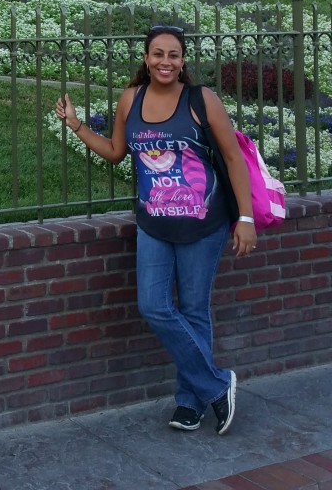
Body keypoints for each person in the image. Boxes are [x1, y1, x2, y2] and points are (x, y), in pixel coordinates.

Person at [56, 25, 256, 436]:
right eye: (158, 54)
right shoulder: (132, 98)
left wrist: (247, 219)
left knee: (194, 311)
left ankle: (189, 403)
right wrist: (77, 125)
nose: (166, 61)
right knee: (153, 306)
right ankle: (218, 385)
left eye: (174, 55)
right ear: (146, 59)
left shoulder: (202, 100)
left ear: (183, 62)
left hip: (204, 223)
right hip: (153, 223)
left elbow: (234, 160)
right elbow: (115, 153)